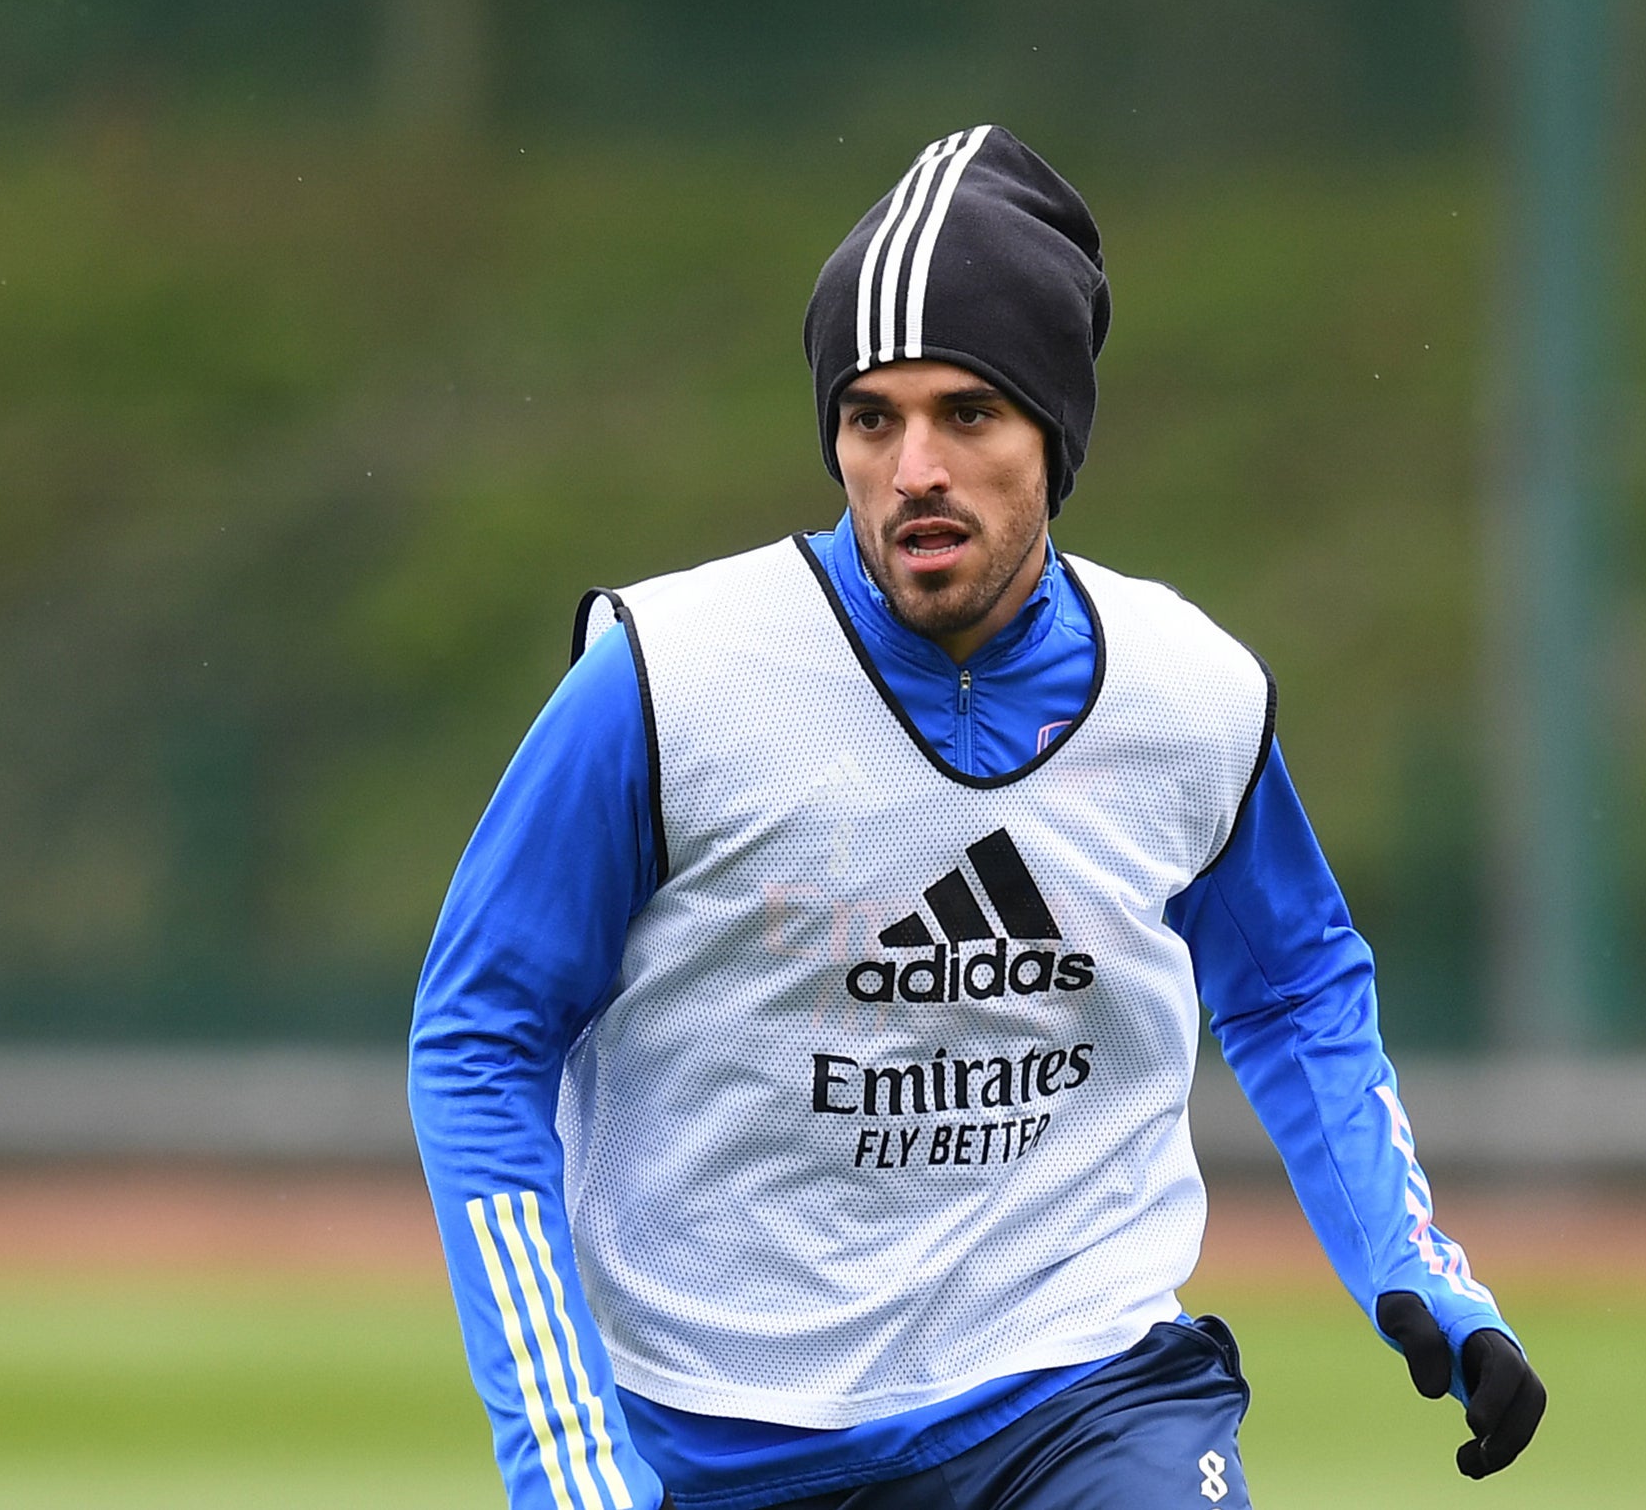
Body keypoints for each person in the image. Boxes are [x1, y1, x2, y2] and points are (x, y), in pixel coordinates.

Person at [409, 124, 1545, 1510]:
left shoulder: (1188, 693)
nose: (912, 468)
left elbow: (1296, 980)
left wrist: (1409, 1259)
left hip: (1078, 1392)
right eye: (870, 417)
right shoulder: (661, 684)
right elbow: (480, 1035)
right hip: (719, 1437)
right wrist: (565, 1453)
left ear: (1054, 436)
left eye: (967, 412)